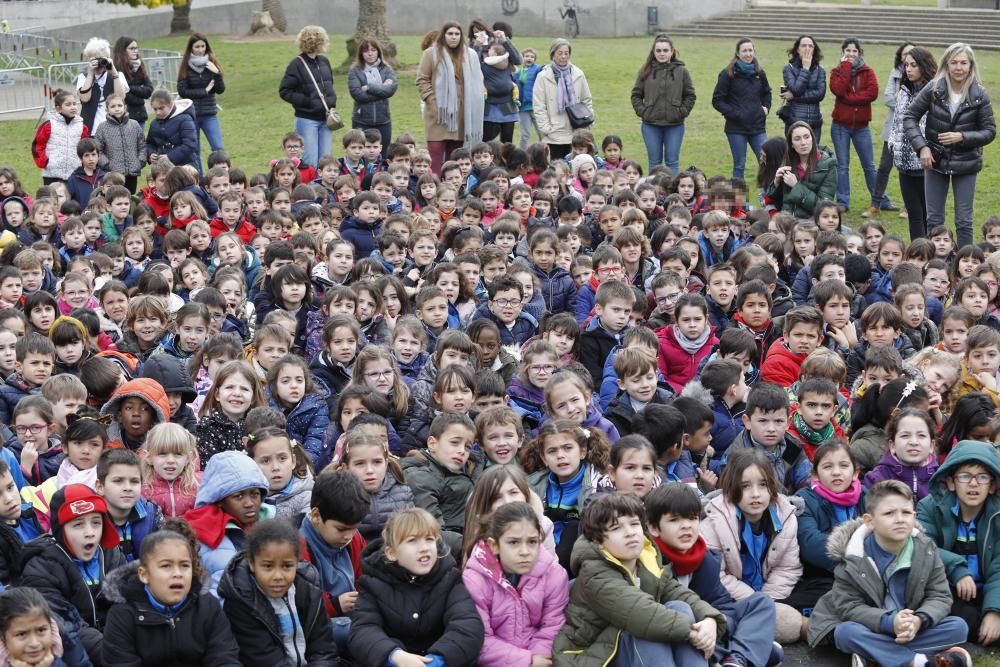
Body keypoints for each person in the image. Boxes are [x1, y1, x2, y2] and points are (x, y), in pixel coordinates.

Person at [806, 480, 971, 667]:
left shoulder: (927, 550)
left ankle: (875, 656)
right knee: (845, 633)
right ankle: (918, 661)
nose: (900, 519)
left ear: (914, 516)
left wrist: (918, 620)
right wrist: (889, 622)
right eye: (889, 513)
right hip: (871, 626)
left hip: (910, 626)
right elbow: (849, 607)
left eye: (906, 513)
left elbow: (940, 596)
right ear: (870, 521)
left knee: (958, 627)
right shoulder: (854, 555)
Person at [551, 492, 726, 667]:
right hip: (589, 655)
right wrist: (692, 631)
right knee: (645, 630)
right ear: (598, 541)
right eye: (616, 528)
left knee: (680, 607)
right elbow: (638, 612)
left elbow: (677, 592)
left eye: (634, 524)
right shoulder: (595, 572)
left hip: (623, 647)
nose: (630, 533)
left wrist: (709, 619)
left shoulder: (645, 561)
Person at [347, 507, 485, 667]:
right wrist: (393, 655)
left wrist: (438, 660)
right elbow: (363, 630)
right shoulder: (372, 583)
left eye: (430, 539)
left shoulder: (450, 578)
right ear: (392, 553)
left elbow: (467, 625)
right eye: (412, 540)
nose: (424, 547)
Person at [102, 525, 242, 666]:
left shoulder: (208, 606)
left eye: (184, 565)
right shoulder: (122, 615)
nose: (178, 573)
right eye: (166, 566)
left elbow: (224, 657)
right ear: (144, 575)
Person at [903, 42, 996, 249]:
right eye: (954, 62)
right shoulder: (934, 87)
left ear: (971, 66)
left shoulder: (979, 94)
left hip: (966, 162)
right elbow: (910, 117)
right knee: (934, 219)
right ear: (946, 64)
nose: (958, 67)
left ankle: (966, 265)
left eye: (963, 63)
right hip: (936, 160)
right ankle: (934, 264)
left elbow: (989, 131)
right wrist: (922, 147)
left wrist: (962, 136)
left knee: (964, 220)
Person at [219, 518, 338, 667]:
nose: (278, 576)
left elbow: (323, 650)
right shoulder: (241, 602)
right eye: (268, 566)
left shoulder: (309, 591)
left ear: (297, 562)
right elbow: (264, 659)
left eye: (287, 566)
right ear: (252, 563)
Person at [462, 501, 568, 667]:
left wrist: (539, 658)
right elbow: (480, 638)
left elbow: (553, 627)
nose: (525, 551)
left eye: (532, 542)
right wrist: (526, 661)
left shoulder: (554, 574)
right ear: (494, 545)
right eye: (514, 542)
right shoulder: (475, 580)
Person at [416, 22, 485, 172]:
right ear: (443, 35)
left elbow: (478, 82)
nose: (454, 37)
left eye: (457, 34)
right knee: (435, 157)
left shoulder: (470, 55)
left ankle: (451, 191)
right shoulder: (431, 54)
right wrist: (433, 102)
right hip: (438, 114)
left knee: (454, 160)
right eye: (450, 34)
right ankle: (432, 187)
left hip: (462, 114)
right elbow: (422, 80)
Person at [829, 38, 884, 213]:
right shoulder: (837, 71)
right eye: (848, 50)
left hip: (861, 127)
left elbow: (872, 93)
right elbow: (838, 90)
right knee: (842, 165)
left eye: (854, 51)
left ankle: (880, 199)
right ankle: (843, 201)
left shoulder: (868, 72)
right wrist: (845, 68)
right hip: (840, 126)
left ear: (859, 53)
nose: (851, 54)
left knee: (869, 164)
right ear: (843, 52)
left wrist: (849, 99)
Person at [889, 46, 937, 240]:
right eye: (906, 65)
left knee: (929, 214)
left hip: (926, 163)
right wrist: (893, 144)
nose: (908, 69)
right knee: (914, 214)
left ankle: (933, 253)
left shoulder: (934, 91)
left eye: (913, 65)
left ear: (924, 66)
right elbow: (896, 122)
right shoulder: (903, 91)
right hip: (903, 164)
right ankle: (918, 253)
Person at [630, 34, 695, 174]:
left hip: (675, 125)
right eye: (658, 51)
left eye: (665, 50)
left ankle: (672, 193)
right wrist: (643, 111)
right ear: (653, 52)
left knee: (672, 161)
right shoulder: (645, 71)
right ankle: (653, 193)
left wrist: (681, 112)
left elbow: (690, 95)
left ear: (672, 51)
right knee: (654, 163)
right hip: (650, 125)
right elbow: (636, 95)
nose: (662, 54)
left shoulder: (682, 71)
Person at [712, 38, 771, 180]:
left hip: (757, 126)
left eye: (750, 50)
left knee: (766, 162)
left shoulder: (760, 73)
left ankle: (768, 197)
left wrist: (765, 109)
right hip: (736, 128)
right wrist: (736, 114)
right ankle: (738, 200)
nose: (748, 54)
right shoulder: (727, 74)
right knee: (739, 165)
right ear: (738, 54)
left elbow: (767, 93)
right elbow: (717, 100)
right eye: (744, 51)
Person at [868, 43, 915, 221]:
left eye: (911, 53)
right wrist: (907, 108)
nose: (907, 57)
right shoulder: (895, 73)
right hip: (893, 128)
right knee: (884, 166)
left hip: (913, 130)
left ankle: (908, 207)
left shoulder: (923, 76)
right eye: (904, 54)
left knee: (910, 168)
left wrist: (909, 109)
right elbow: (887, 97)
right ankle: (875, 205)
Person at [279, 25, 337, 169]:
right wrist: (308, 102)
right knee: (310, 161)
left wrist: (331, 101)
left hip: (326, 118)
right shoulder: (296, 64)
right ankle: (308, 190)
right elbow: (285, 90)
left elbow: (329, 84)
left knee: (325, 161)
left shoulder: (324, 61)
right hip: (307, 119)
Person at [532, 38, 593, 161]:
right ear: (553, 54)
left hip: (576, 131)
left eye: (566, 53)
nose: (564, 57)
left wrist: (587, 124)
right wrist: (546, 128)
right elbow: (539, 105)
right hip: (553, 134)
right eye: (560, 53)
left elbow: (587, 99)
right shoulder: (543, 77)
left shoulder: (578, 74)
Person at [766, 121, 836, 219]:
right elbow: (776, 202)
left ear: (813, 139)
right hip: (787, 222)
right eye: (797, 139)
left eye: (806, 137)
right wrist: (776, 183)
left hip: (812, 225)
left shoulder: (828, 165)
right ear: (791, 144)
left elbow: (824, 208)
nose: (803, 142)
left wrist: (796, 186)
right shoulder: (787, 162)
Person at [178, 33, 226, 165]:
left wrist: (217, 74)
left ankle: (221, 176)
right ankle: (199, 180)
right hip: (191, 115)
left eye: (203, 46)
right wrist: (204, 91)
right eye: (197, 46)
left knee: (218, 148)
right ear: (191, 48)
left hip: (209, 114)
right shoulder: (185, 66)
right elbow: (183, 91)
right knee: (194, 151)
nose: (200, 50)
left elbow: (220, 89)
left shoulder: (211, 64)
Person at [348, 38, 397, 151]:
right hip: (362, 120)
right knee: (361, 153)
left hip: (383, 120)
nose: (370, 53)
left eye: (373, 50)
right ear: (361, 53)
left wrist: (369, 87)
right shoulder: (355, 70)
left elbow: (391, 90)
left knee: (383, 154)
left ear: (378, 51)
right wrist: (382, 90)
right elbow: (358, 95)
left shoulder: (387, 69)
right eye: (366, 51)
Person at [75, 37, 129, 133]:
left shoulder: (117, 75)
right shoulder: (83, 77)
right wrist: (91, 73)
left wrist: (114, 72)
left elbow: (120, 97)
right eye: (95, 59)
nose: (99, 62)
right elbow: (85, 98)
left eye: (101, 59)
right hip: (90, 129)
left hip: (114, 129)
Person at [780, 35, 826, 143]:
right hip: (795, 122)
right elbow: (797, 89)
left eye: (810, 46)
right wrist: (805, 68)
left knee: (813, 158)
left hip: (814, 124)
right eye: (803, 45)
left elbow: (820, 94)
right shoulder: (788, 68)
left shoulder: (820, 69)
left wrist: (793, 97)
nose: (807, 48)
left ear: (814, 49)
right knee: (793, 158)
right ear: (797, 49)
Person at [112, 36, 153, 130]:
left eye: (136, 48)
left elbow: (149, 90)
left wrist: (129, 88)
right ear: (122, 50)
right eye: (131, 48)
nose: (135, 51)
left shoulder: (140, 67)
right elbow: (124, 96)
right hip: (124, 116)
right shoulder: (116, 70)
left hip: (140, 116)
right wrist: (139, 90)